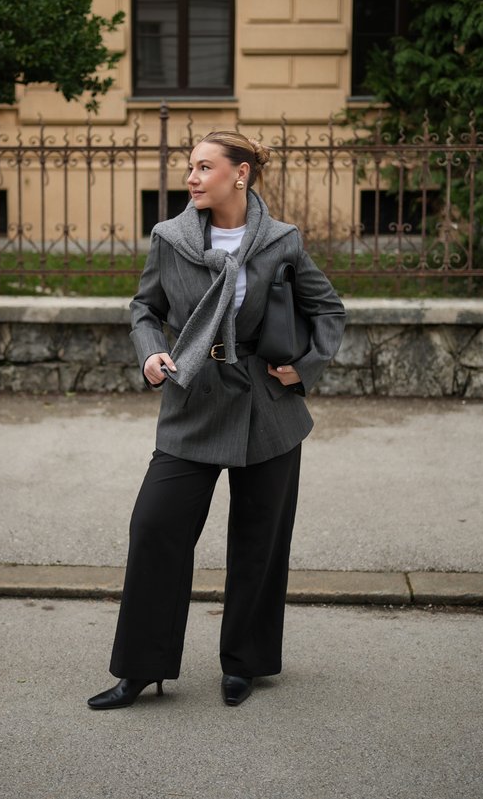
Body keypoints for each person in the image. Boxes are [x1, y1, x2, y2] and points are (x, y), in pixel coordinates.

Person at [87, 131, 346, 710]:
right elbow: (145, 309)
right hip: (192, 399)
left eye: (204, 166)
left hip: (267, 410)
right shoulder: (170, 238)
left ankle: (245, 664)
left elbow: (328, 308)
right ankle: (140, 669)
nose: (192, 176)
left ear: (241, 173)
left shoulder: (281, 241)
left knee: (259, 540)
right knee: (155, 529)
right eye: (189, 166)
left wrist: (304, 368)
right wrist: (150, 353)